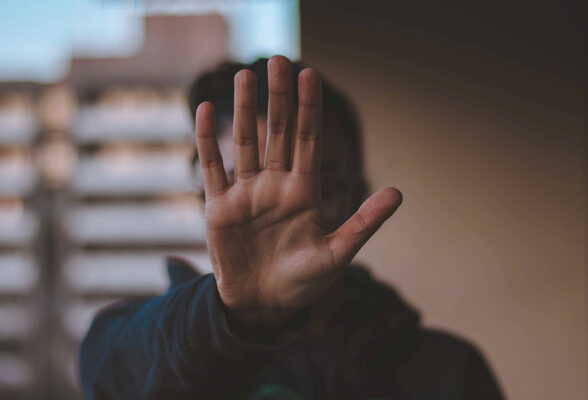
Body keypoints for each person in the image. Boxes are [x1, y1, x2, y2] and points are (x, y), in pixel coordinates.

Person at [79, 56, 504, 400]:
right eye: (243, 182)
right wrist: (236, 316)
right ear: (202, 203)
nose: (280, 211)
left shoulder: (447, 372)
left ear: (359, 195)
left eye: (318, 181)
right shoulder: (158, 350)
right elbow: (105, 371)